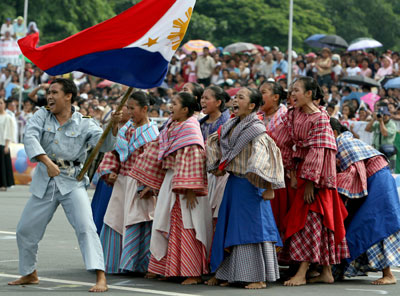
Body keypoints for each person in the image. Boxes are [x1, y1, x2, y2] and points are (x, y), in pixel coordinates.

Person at [8, 78, 122, 292]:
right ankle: (29, 272)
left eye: (54, 92)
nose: (49, 96)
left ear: (68, 96)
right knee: (25, 229)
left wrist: (113, 126)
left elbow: (104, 145)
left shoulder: (85, 122)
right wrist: (47, 162)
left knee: (86, 228)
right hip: (45, 180)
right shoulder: (41, 116)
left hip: (72, 182)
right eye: (49, 92)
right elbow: (30, 137)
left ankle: (100, 275)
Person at [273, 77, 349, 286]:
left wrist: (309, 182)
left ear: (309, 93)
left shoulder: (321, 118)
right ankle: (326, 272)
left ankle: (303, 273)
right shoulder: (293, 113)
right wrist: (289, 169)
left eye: (296, 90)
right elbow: (282, 140)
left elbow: (318, 152)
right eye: (291, 91)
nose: (292, 94)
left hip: (318, 179)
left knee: (310, 222)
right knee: (320, 224)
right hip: (301, 173)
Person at [130, 91, 212, 285]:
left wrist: (190, 189)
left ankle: (192, 272)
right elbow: (155, 149)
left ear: (185, 109)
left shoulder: (190, 128)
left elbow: (195, 159)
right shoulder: (170, 125)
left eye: (175, 103)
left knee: (187, 225)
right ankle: (169, 268)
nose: (170, 106)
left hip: (185, 186)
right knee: (166, 222)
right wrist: (149, 181)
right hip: (171, 181)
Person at [206, 87, 284, 289]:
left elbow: (264, 158)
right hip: (235, 183)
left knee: (251, 231)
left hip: (252, 185)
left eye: (241, 97)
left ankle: (258, 277)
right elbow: (215, 142)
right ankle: (229, 273)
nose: (235, 100)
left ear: (251, 106)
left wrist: (267, 184)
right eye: (235, 96)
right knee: (231, 228)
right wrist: (217, 165)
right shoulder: (232, 124)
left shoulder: (256, 130)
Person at [331, 118, 400, 285]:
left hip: (376, 181)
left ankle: (388, 274)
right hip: (372, 181)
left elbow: (356, 173)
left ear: (333, 133)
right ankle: (339, 270)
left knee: (375, 226)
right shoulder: (345, 142)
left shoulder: (343, 143)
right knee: (357, 225)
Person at [100, 92, 159, 274]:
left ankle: (138, 264)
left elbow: (153, 162)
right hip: (122, 182)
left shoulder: (152, 133)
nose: (129, 112)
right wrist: (110, 170)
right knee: (115, 218)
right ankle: (116, 262)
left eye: (132, 108)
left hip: (139, 184)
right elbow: (113, 152)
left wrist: (149, 185)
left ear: (145, 109)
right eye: (128, 108)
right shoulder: (126, 129)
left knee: (138, 220)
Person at [91, 104, 130, 235]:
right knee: (98, 216)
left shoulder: (134, 130)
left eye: (128, 106)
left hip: (120, 179)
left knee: (113, 221)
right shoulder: (112, 126)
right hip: (106, 177)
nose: (122, 109)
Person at [365, 105, 397, 171]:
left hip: (388, 154)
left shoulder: (392, 124)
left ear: (389, 115)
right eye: (382, 114)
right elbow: (367, 129)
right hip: (377, 152)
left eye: (385, 115)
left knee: (389, 173)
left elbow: (384, 133)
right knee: (377, 172)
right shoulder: (377, 123)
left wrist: (381, 121)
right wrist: (373, 119)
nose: (383, 117)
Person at [0, 97, 15, 191]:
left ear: (4, 104)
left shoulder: (8, 117)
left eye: (1, 103)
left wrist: (6, 145)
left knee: (2, 165)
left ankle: (3, 184)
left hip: (2, 143)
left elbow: (9, 132)